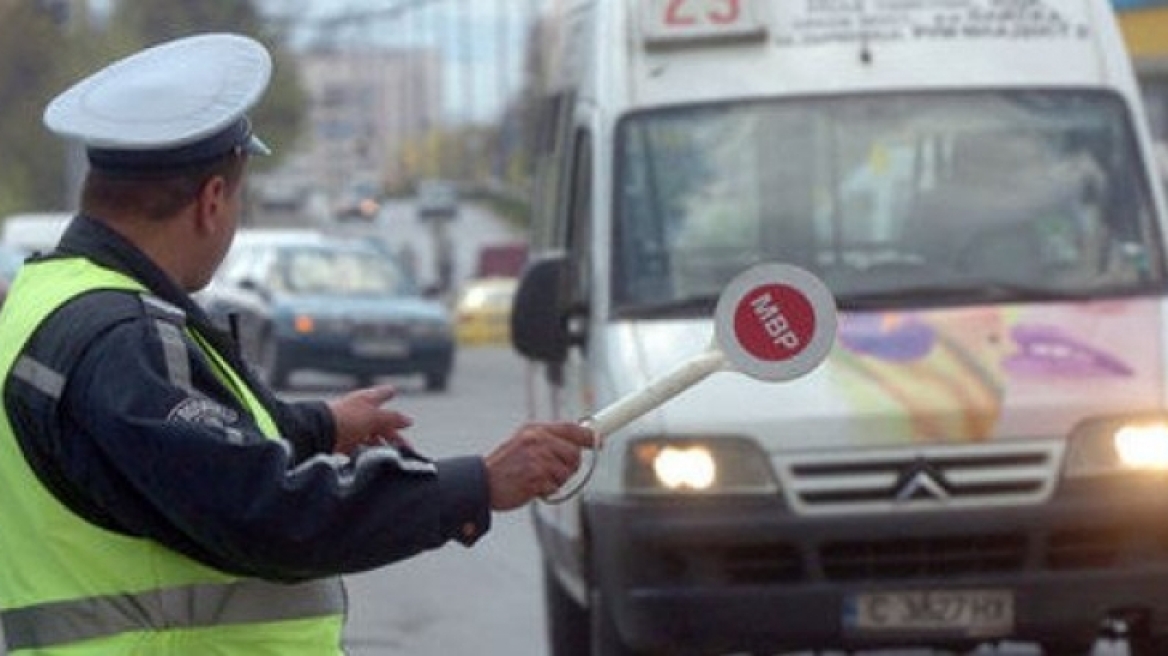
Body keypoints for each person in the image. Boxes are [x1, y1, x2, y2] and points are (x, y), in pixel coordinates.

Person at [0, 33, 593, 655]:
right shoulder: (123, 338)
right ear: (211, 201)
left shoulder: (53, 297)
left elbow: (161, 460)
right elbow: (265, 514)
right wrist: (476, 485)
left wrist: (316, 426)